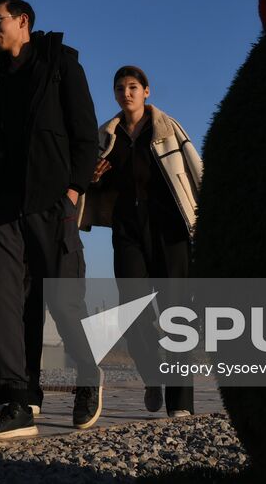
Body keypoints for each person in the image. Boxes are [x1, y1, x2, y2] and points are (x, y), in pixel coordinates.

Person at [0, 0, 102, 441]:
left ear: (23, 22)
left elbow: (85, 134)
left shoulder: (60, 63)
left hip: (49, 201)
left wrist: (73, 190)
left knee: (63, 302)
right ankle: (20, 402)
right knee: (3, 301)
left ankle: (88, 375)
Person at [83, 65, 202, 418]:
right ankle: (152, 376)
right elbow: (91, 180)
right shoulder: (108, 135)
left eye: (133, 86)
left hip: (170, 232)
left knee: (176, 316)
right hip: (128, 232)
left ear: (146, 91)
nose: (126, 93)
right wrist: (92, 175)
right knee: (131, 312)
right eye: (120, 88)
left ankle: (180, 403)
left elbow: (195, 170)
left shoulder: (168, 129)